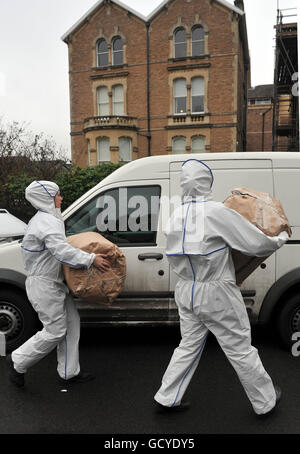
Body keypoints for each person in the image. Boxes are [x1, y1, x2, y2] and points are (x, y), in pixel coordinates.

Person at [154, 159, 289, 416]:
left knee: (188, 344)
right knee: (240, 347)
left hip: (187, 290)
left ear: (184, 183)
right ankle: (265, 401)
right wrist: (280, 237)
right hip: (216, 292)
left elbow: (171, 253)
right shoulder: (215, 211)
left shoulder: (175, 214)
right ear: (207, 183)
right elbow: (255, 244)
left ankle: (167, 396)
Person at [6, 180, 110, 388]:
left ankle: (69, 372)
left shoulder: (48, 219)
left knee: (72, 324)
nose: (61, 198)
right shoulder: (46, 222)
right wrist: (91, 259)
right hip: (44, 285)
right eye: (58, 195)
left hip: (53, 283)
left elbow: (61, 247)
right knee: (55, 330)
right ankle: (18, 361)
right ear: (47, 197)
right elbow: (62, 251)